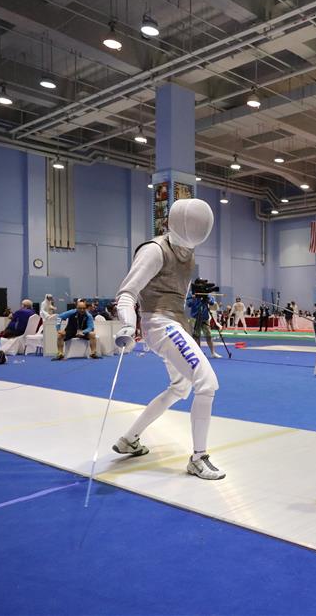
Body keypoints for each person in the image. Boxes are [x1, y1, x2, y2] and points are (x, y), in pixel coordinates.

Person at [110, 199, 223, 480]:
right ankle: (198, 458)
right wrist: (127, 325)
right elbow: (127, 293)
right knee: (206, 383)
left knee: (179, 388)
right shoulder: (154, 250)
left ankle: (129, 439)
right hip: (159, 323)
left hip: (175, 323)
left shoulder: (188, 251)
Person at [186, 286, 222, 358]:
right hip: (195, 318)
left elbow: (212, 302)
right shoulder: (191, 293)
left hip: (205, 317)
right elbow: (188, 304)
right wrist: (194, 298)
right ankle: (199, 353)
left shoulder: (206, 294)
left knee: (209, 336)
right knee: (196, 336)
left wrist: (207, 298)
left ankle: (213, 353)